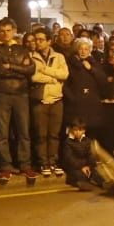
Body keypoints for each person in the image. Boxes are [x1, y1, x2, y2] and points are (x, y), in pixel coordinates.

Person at [0, 17, 37, 185]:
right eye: (2, 31)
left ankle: (25, 165)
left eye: (8, 30)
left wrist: (11, 66)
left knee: (24, 132)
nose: (5, 34)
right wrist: (19, 68)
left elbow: (31, 69)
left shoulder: (22, 48)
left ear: (14, 31)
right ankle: (5, 166)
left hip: (21, 94)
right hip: (2, 94)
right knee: (2, 133)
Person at [30, 28, 68, 177]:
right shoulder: (31, 57)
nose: (37, 43)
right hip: (41, 100)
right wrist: (53, 78)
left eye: (41, 40)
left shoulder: (59, 57)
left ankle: (53, 161)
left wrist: (45, 70)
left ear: (49, 41)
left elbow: (64, 74)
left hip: (57, 100)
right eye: (36, 40)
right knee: (41, 134)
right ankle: (43, 162)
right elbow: (33, 77)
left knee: (54, 134)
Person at [60, 117, 102, 190]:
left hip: (86, 165)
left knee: (96, 173)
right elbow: (69, 158)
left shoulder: (87, 141)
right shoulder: (68, 142)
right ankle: (82, 183)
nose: (78, 132)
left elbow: (91, 155)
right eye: (75, 130)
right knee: (79, 175)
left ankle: (103, 183)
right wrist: (81, 167)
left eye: (80, 130)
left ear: (84, 131)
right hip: (75, 167)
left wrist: (88, 165)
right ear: (72, 130)